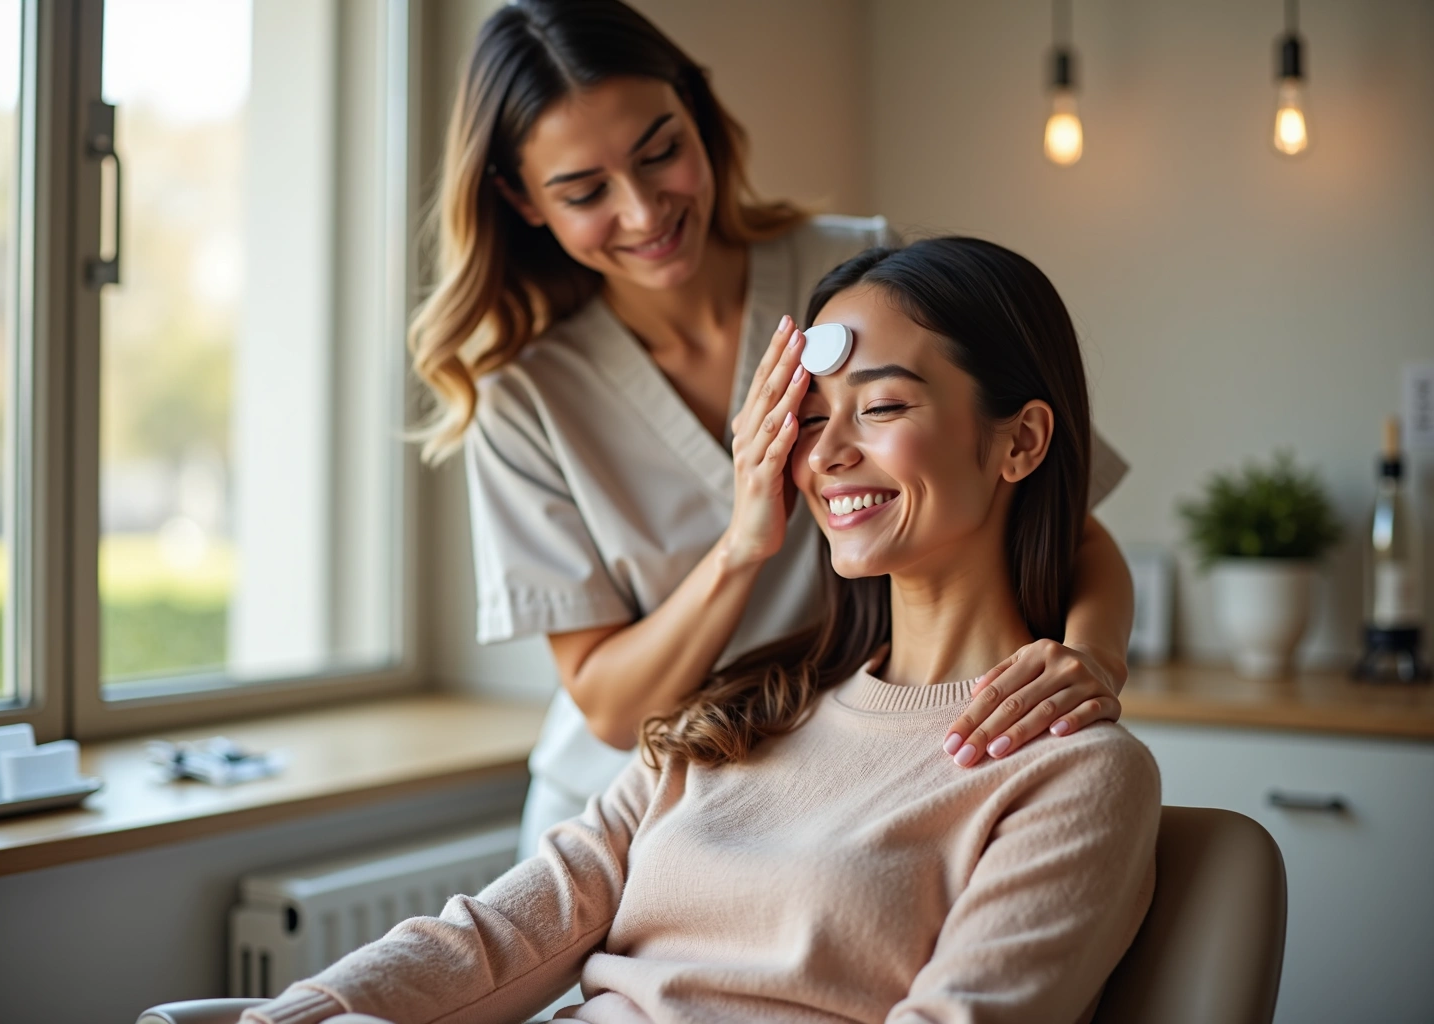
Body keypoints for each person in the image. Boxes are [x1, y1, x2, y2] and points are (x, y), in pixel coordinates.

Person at [242, 236, 1162, 1024]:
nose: (830, 451)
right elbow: (494, 939)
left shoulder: (1066, 770)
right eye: (807, 418)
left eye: (881, 407)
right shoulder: (736, 716)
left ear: (1022, 442)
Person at [413, 0, 1137, 857]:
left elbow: (1061, 514)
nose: (645, 212)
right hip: (628, 811)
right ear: (520, 199)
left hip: (838, 776)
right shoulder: (525, 395)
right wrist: (741, 546)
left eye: (662, 153)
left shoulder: (854, 278)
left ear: (699, 115)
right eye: (585, 192)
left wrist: (1092, 662)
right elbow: (607, 707)